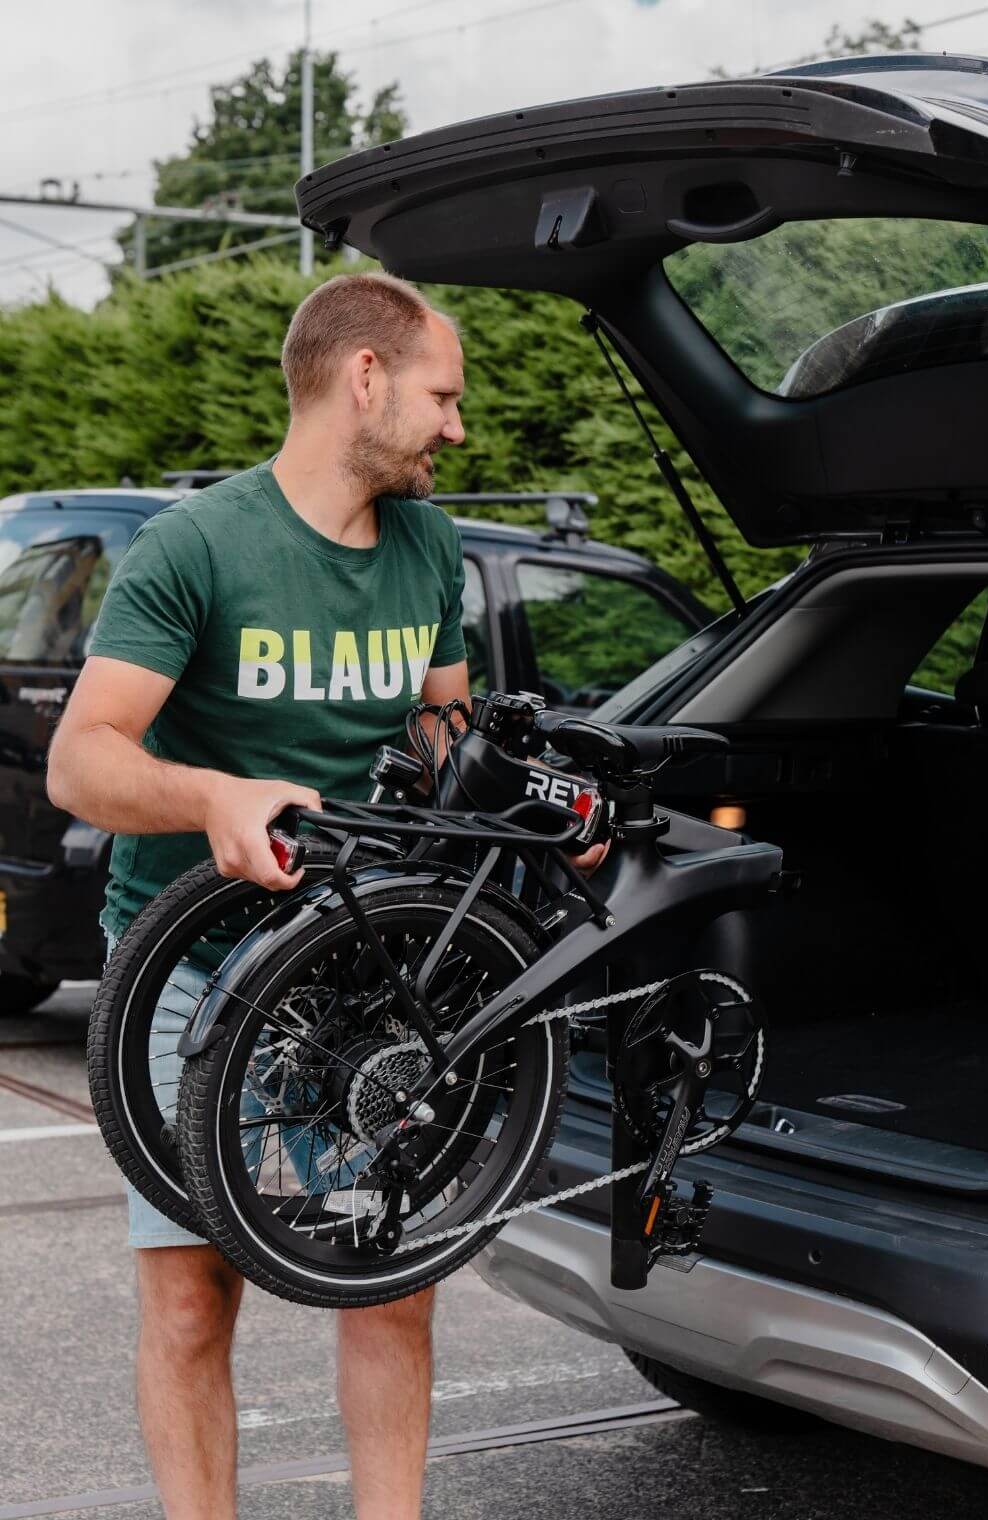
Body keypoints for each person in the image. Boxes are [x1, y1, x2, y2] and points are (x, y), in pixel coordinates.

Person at [48, 271, 606, 1520]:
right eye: (442, 395)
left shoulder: (429, 545)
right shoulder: (197, 546)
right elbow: (81, 760)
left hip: (366, 974)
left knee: (387, 1278)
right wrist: (214, 796)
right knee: (191, 1297)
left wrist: (541, 804)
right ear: (366, 378)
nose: (457, 425)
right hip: (194, 968)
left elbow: (446, 737)